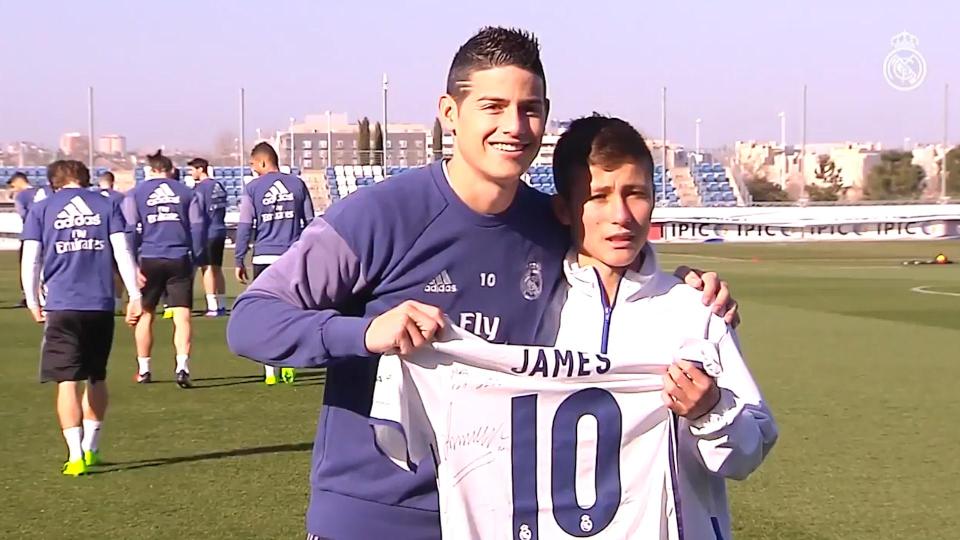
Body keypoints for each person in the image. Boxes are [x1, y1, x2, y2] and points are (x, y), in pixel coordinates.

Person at [227, 27, 737, 540]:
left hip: (502, 517)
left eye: (530, 108)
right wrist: (363, 335)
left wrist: (690, 284)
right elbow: (251, 320)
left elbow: (616, 264)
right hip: (374, 520)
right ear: (450, 113)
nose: (514, 126)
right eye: (493, 107)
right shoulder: (380, 215)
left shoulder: (551, 223)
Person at [548, 114, 778, 538]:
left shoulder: (697, 309)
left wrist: (712, 413)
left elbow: (751, 450)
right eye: (598, 196)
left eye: (635, 193)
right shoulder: (535, 311)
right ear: (564, 209)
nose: (621, 214)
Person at [20, 160, 143, 476]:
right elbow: (122, 252)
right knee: (96, 376)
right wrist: (135, 295)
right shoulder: (106, 205)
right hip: (100, 303)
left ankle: (75, 455)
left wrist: (33, 298)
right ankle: (92, 447)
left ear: (54, 183)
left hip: (62, 304)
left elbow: (31, 258)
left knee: (66, 381)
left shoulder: (42, 209)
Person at [233, 142, 314, 385]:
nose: (251, 168)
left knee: (266, 313)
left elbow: (246, 225)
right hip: (292, 256)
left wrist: (239, 258)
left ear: (264, 162)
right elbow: (311, 222)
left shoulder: (253, 189)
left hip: (263, 258)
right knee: (295, 310)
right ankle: (291, 364)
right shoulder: (297, 184)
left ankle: (270, 371)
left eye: (252, 163)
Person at [123, 150, 204, 388]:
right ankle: (182, 366)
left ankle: (144, 369)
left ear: (150, 171)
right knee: (182, 316)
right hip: (179, 256)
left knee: (146, 315)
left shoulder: (135, 194)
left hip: (149, 257)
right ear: (171, 170)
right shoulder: (188, 193)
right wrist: (195, 259)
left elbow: (130, 229)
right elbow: (197, 228)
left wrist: (133, 264)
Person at [187, 157, 228, 316]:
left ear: (200, 169)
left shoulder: (200, 189)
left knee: (207, 268)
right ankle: (222, 304)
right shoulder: (219, 185)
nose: (191, 173)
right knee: (217, 268)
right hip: (220, 230)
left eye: (192, 170)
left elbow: (198, 214)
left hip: (208, 232)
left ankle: (212, 306)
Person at [9, 171, 52, 307]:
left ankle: (30, 297)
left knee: (30, 265)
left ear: (18, 182)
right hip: (49, 234)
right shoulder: (45, 191)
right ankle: (48, 294)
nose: (13, 189)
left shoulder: (21, 196)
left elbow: (23, 214)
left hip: (31, 235)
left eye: (13, 185)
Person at [97, 171, 127, 310]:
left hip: (97, 236)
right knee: (118, 270)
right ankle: (118, 302)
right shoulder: (120, 197)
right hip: (116, 235)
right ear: (113, 182)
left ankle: (99, 299)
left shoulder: (93, 197)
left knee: (98, 269)